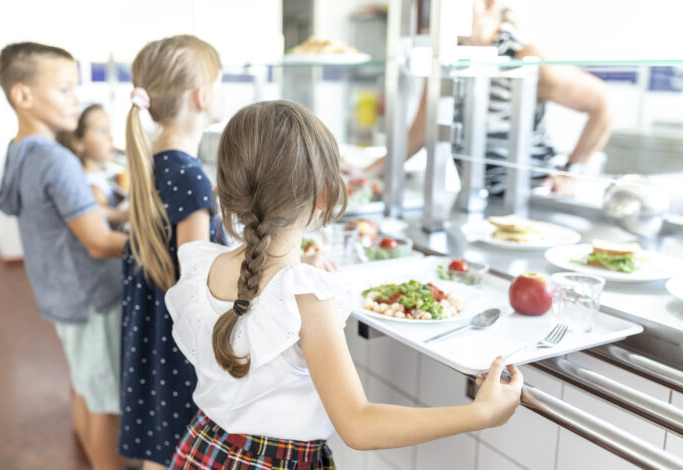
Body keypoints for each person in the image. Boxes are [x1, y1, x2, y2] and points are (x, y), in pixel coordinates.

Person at [165, 100, 523, 469]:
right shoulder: (306, 296)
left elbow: (258, 293)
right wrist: (481, 414)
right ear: (324, 193)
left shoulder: (201, 264)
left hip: (203, 449)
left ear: (225, 187)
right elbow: (358, 425)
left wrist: (297, 272)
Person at [0, 42, 128, 469]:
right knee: (106, 403)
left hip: (60, 295)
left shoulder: (20, 149)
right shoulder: (58, 160)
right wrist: (166, 242)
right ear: (23, 95)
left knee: (86, 389)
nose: (76, 100)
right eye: (66, 89)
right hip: (90, 297)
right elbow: (100, 242)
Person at [363, 0, 612, 196]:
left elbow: (604, 105)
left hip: (530, 196)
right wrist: (365, 173)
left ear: (488, 4)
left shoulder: (523, 54)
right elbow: (420, 132)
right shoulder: (448, 55)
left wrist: (572, 171)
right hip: (475, 198)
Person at [118, 35, 227, 470]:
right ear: (201, 95)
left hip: (151, 329)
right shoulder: (190, 174)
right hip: (180, 337)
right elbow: (196, 275)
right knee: (181, 444)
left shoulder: (157, 161)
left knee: (161, 441)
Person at [57, 104, 128, 226]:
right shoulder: (91, 187)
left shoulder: (97, 177)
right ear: (78, 142)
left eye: (109, 130)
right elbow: (93, 212)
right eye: (102, 131)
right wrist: (126, 215)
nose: (110, 137)